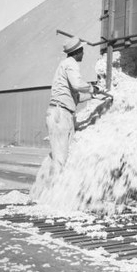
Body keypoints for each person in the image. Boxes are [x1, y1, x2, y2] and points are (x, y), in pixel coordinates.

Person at [46, 36, 96, 175]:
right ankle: (55, 194)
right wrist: (91, 88)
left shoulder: (65, 65)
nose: (84, 53)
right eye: (82, 50)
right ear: (77, 51)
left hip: (62, 113)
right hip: (60, 114)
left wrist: (93, 95)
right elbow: (78, 84)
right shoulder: (70, 63)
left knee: (63, 158)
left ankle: (57, 190)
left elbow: (76, 96)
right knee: (61, 160)